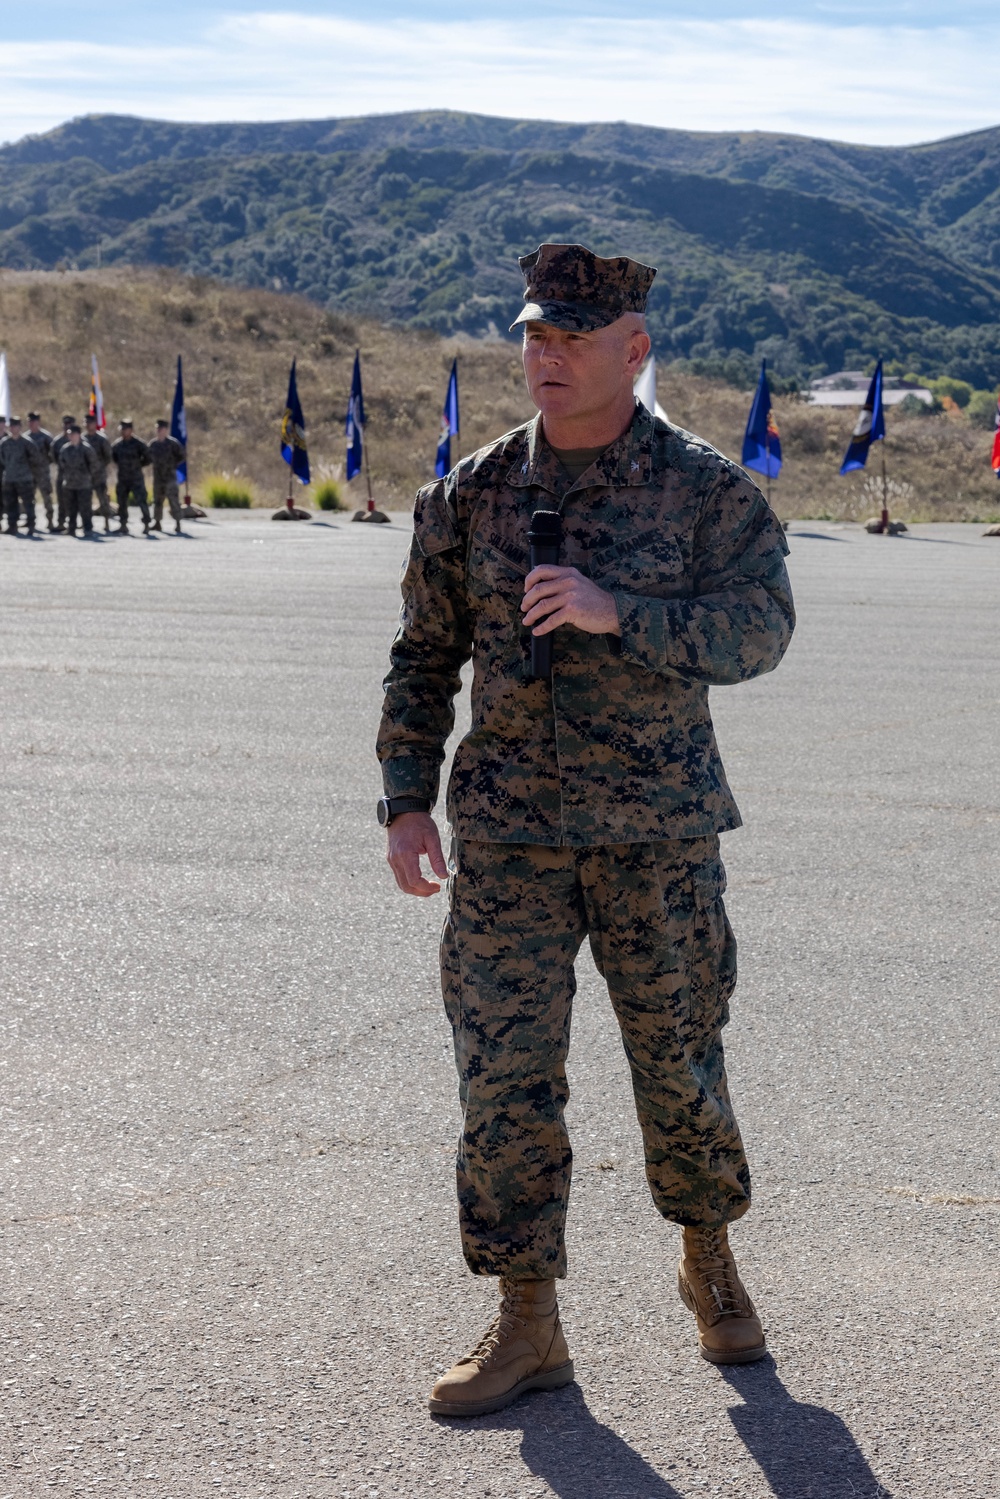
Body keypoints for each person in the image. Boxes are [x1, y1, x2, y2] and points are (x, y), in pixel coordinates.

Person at [376, 243, 795, 1418]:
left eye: (570, 336)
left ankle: (708, 1258)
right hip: (507, 834)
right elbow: (422, 655)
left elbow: (762, 628)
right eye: (533, 334)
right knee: (503, 1076)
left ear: (633, 347)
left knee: (679, 1058)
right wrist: (406, 795)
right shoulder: (473, 492)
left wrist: (627, 613)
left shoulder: (706, 489)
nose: (544, 355)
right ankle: (526, 1319)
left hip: (655, 833)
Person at [0, 416, 46, 534]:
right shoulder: (4, 443)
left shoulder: (27, 443)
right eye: (12, 427)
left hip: (24, 478)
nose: (14, 429)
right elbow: (2, 459)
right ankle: (12, 525)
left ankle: (31, 525)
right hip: (10, 478)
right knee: (11, 503)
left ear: (20, 427)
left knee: (28, 503)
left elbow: (36, 459)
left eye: (16, 426)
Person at [111, 420, 152, 534]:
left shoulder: (139, 444)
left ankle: (146, 524)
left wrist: (138, 466)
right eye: (122, 429)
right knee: (122, 502)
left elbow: (148, 458)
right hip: (123, 478)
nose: (123, 432)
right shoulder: (117, 445)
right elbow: (113, 457)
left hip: (136, 478)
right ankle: (123, 525)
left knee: (141, 500)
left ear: (131, 430)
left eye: (126, 429)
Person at [58, 424, 100, 535]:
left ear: (79, 435)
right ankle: (71, 528)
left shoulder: (86, 449)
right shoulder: (65, 449)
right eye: (70, 434)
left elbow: (94, 465)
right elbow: (62, 464)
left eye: (74, 434)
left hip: (83, 484)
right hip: (69, 484)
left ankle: (88, 528)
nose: (72, 436)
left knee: (85, 508)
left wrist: (87, 476)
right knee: (70, 508)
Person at [148, 420, 186, 533]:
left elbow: (182, 456)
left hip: (170, 477)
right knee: (157, 501)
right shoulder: (153, 444)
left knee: (173, 500)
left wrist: (173, 464)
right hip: (158, 477)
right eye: (158, 429)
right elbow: (147, 457)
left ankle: (178, 523)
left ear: (166, 430)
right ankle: (157, 522)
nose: (159, 431)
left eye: (161, 429)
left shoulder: (173, 444)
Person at [84, 415, 115, 533]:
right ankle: (87, 523)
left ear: (95, 424)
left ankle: (106, 522)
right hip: (86, 476)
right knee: (86, 501)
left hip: (99, 475)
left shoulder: (102, 439)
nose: (88, 425)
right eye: (86, 423)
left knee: (103, 499)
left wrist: (99, 467)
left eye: (90, 422)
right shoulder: (82, 438)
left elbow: (108, 456)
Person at [26, 413, 56, 531]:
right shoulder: (26, 438)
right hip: (29, 473)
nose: (32, 424)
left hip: (43, 472)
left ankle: (50, 521)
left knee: (47, 497)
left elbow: (53, 453)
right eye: (30, 421)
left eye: (34, 421)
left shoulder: (46, 437)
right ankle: (30, 522)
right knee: (29, 498)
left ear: (38, 422)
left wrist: (45, 462)